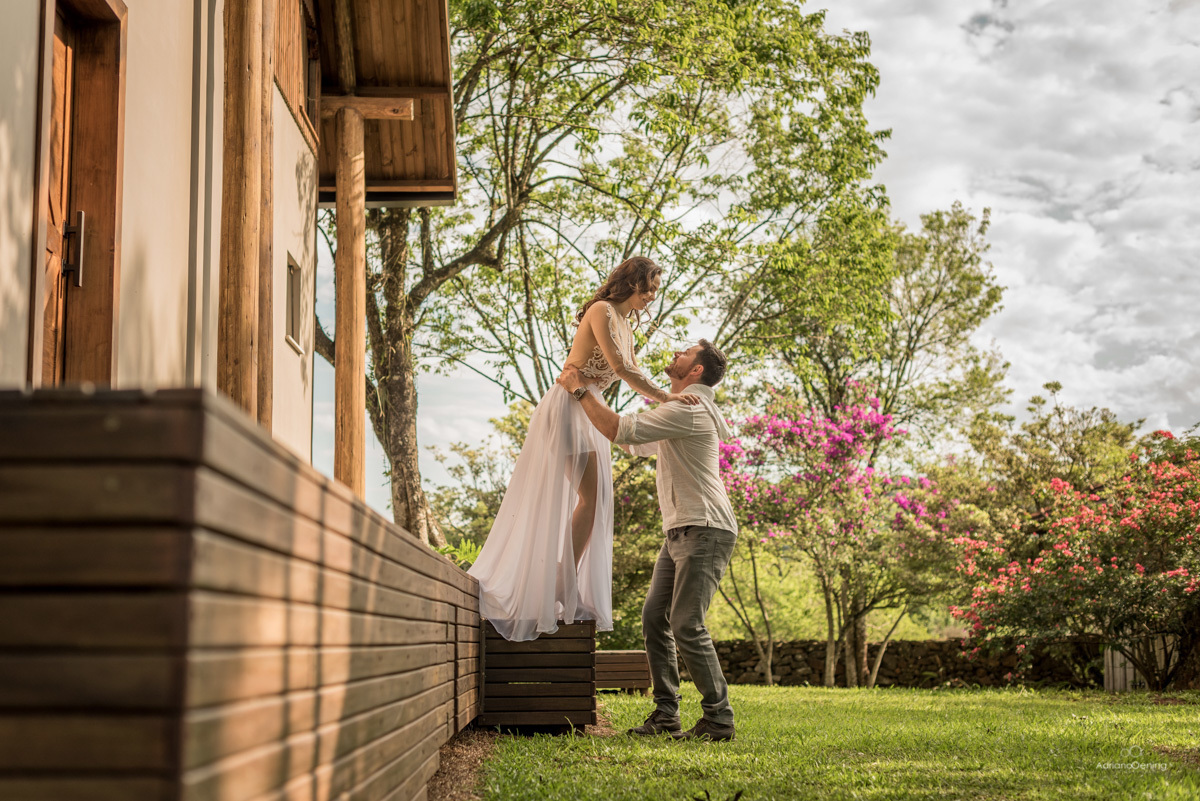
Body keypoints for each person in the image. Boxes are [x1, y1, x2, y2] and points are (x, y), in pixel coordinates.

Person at [467, 256, 699, 642]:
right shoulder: (601, 310)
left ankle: (560, 581)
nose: (653, 296)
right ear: (633, 281)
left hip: (590, 409)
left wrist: (652, 408)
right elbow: (623, 370)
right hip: (568, 405)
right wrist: (665, 398)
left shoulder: (625, 324)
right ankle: (558, 582)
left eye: (657, 289)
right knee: (589, 498)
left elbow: (627, 371)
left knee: (597, 501)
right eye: (650, 287)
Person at [555, 339, 738, 742]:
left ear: (697, 371)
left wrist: (579, 389)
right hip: (682, 529)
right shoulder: (680, 410)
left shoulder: (688, 410)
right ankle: (666, 714)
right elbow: (637, 443)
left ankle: (719, 719)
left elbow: (620, 430)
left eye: (685, 353)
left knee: (686, 623)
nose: (675, 352)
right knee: (655, 618)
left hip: (704, 528)